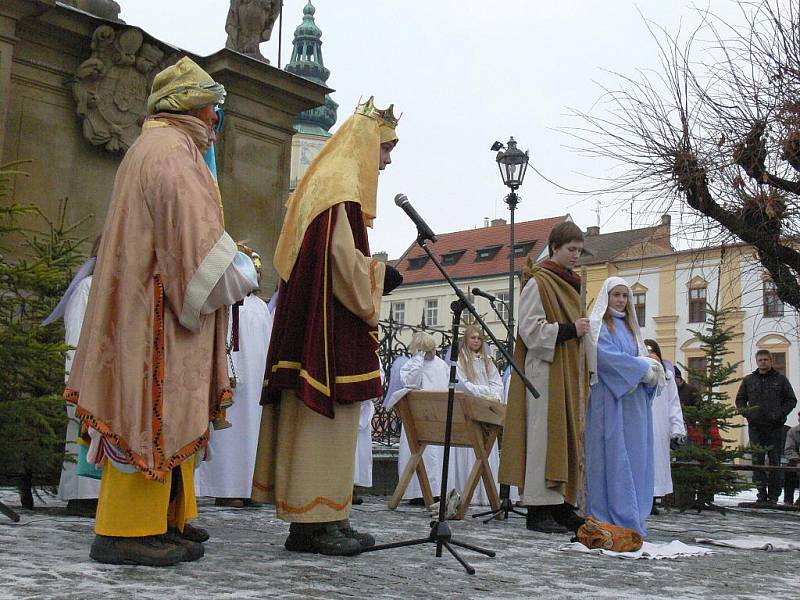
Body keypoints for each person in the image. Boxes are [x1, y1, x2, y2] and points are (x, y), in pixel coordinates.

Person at [65, 57, 259, 566]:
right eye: (212, 106)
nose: (217, 117)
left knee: (153, 414)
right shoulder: (173, 154)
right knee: (145, 414)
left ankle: (161, 520)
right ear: (189, 107)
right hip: (154, 316)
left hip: (144, 304)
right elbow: (197, 253)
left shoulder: (156, 146)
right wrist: (243, 268)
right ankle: (126, 532)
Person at [251, 97, 403, 556]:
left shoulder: (330, 184)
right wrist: (380, 276)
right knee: (322, 420)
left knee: (329, 424)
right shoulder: (340, 189)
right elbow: (340, 261)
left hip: (321, 320)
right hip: (327, 327)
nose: (388, 159)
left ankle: (327, 515)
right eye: (385, 148)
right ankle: (313, 522)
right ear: (365, 144)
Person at [499, 221, 590, 535]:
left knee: (566, 439)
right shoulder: (538, 282)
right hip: (545, 371)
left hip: (568, 371)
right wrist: (569, 330)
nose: (576, 255)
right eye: (571, 249)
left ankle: (563, 507)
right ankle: (538, 510)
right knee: (543, 440)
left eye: (579, 250)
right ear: (555, 247)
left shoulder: (573, 283)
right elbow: (530, 328)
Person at [584, 277, 662, 537]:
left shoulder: (631, 328)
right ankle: (607, 516)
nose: (620, 300)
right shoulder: (598, 327)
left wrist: (651, 371)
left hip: (633, 403)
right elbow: (606, 358)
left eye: (624, 296)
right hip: (610, 400)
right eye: (616, 295)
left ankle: (633, 515)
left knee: (635, 457)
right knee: (612, 458)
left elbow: (638, 355)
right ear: (607, 297)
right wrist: (643, 369)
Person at [196, 252, 272, 508]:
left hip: (255, 384)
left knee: (252, 435)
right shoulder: (223, 304)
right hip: (228, 381)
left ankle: (250, 487)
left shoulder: (261, 307)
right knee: (228, 435)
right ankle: (226, 489)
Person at [47, 237, 102, 516]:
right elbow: (76, 339)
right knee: (83, 433)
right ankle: (82, 496)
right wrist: (75, 380)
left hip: (108, 378)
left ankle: (100, 495)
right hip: (86, 376)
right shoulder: (86, 289)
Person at [736, 349, 797, 504]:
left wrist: (779, 415)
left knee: (774, 461)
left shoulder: (780, 380)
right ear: (757, 361)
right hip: (755, 427)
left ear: (771, 361)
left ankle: (774, 495)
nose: (763, 362)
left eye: (766, 359)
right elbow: (740, 400)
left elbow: (791, 400)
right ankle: (761, 493)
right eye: (760, 360)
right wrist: (748, 414)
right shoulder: (749, 380)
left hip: (774, 427)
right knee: (757, 461)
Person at [453, 324, 504, 506]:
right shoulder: (460, 361)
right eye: (472, 338)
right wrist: (484, 392)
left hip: (486, 408)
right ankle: (468, 493)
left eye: (479, 338)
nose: (476, 341)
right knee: (469, 451)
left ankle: (486, 494)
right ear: (466, 340)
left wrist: (494, 395)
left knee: (486, 449)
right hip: (469, 408)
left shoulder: (487, 360)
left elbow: (497, 383)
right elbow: (463, 384)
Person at [396, 332, 448, 504]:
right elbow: (411, 381)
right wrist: (417, 361)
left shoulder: (442, 366)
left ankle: (435, 491)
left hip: (436, 414)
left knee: (435, 455)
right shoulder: (411, 365)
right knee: (418, 453)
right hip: (416, 415)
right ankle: (416, 492)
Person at [644, 339, 686, 512]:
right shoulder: (642, 374)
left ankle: (653, 500)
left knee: (657, 463)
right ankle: (642, 498)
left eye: (653, 353)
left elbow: (674, 404)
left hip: (660, 426)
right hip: (642, 424)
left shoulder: (667, 377)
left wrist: (677, 429)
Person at [783, 412, 800, 505]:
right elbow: (789, 449)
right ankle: (788, 500)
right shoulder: (793, 432)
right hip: (797, 460)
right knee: (789, 470)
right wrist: (797, 460)